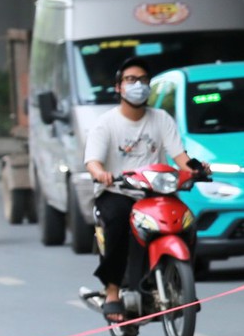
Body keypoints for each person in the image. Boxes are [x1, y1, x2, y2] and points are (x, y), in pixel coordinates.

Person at [84, 55, 198, 321]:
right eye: (131, 80)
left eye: (143, 80)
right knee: (116, 223)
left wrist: (195, 168)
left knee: (186, 222)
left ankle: (180, 283)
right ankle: (112, 292)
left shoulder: (161, 119)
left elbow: (180, 156)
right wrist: (102, 174)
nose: (138, 85)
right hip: (119, 193)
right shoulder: (106, 123)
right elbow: (93, 162)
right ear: (118, 87)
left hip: (157, 194)